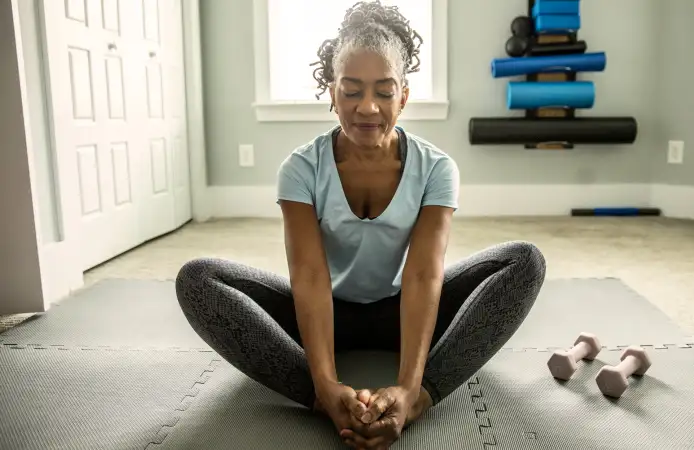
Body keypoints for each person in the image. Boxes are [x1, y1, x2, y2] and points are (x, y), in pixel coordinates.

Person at [175, 1, 546, 448]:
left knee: (525, 261)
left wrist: (408, 387)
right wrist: (327, 382)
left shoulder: (436, 168)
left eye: (384, 91)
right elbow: (309, 275)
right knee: (198, 279)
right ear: (331, 93)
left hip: (401, 309)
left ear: (403, 96)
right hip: (323, 312)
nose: (367, 107)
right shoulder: (300, 168)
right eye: (351, 91)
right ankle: (323, 399)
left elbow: (424, 273)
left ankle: (422, 399)